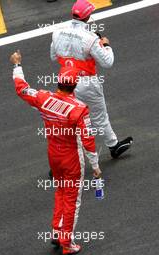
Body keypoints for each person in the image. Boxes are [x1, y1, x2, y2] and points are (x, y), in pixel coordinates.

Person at [10, 50, 102, 255]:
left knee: (60, 192)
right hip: (71, 158)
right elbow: (88, 140)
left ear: (59, 82)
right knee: (72, 200)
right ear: (75, 85)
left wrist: (17, 65)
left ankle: (56, 231)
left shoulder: (43, 98)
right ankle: (67, 243)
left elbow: (22, 90)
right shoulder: (79, 109)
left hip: (54, 155)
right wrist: (95, 167)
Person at [50, 0, 133, 158]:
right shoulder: (90, 38)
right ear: (87, 16)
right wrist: (106, 45)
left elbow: (53, 56)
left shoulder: (57, 32)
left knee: (68, 120)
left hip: (65, 82)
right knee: (99, 116)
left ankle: (62, 158)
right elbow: (107, 62)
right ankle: (113, 145)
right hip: (87, 83)